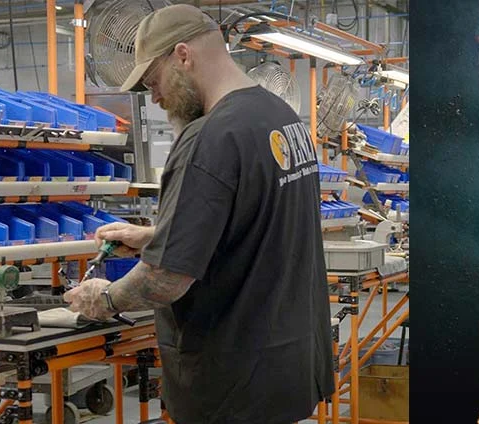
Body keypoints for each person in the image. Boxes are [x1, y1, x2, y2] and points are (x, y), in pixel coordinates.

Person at [62, 5, 330, 423]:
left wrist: (106, 298)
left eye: (153, 81)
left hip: (233, 384)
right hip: (287, 370)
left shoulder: (210, 138)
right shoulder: (282, 118)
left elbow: (165, 280)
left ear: (183, 56)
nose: (154, 96)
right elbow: (254, 224)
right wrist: (156, 236)